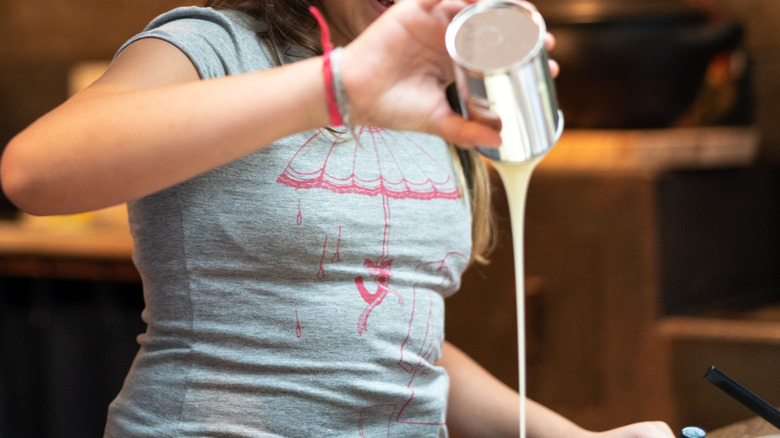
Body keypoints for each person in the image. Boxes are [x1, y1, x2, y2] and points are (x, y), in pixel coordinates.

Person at [0, 0, 676, 436]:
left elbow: (393, 344)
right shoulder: (213, 46)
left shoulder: (433, 89)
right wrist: (341, 83)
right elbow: (35, 171)